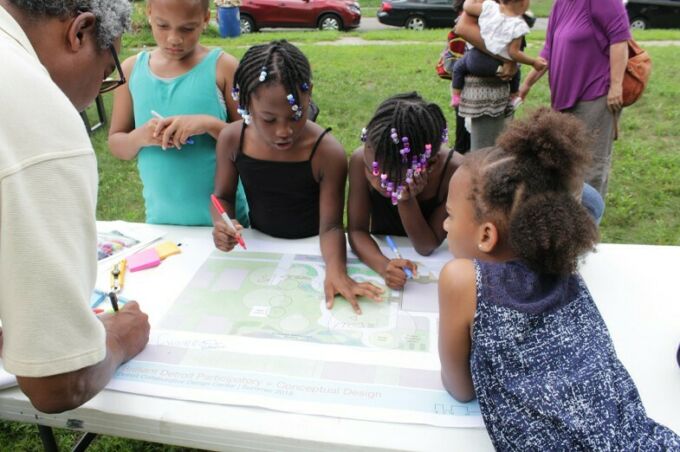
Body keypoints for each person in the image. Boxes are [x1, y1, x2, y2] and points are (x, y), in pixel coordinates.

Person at [437, 108, 680, 449]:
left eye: (449, 216)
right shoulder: (565, 273)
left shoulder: (461, 279)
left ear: (486, 236)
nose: (445, 226)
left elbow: (460, 388)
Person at [0, 0, 149, 413]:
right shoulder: (38, 112)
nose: (95, 94)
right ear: (80, 32)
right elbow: (59, 383)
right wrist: (119, 337)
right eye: (106, 73)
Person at [212, 40, 383, 314]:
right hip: (261, 251)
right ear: (244, 101)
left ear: (309, 95)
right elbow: (221, 197)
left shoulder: (327, 153)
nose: (284, 131)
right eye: (269, 119)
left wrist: (337, 272)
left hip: (313, 251)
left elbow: (331, 226)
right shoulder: (233, 139)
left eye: (296, 115)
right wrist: (222, 224)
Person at [108, 0, 249, 226]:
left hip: (226, 225)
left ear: (205, 19)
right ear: (149, 13)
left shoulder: (223, 67)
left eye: (187, 28)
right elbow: (117, 144)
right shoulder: (131, 70)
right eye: (163, 26)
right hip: (161, 225)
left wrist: (209, 124)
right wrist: (141, 136)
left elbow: (253, 143)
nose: (174, 38)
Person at [347, 93, 461, 290]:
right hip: (382, 251)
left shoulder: (454, 173)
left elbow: (426, 246)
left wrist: (405, 199)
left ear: (430, 165)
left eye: (387, 178)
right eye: (371, 169)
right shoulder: (360, 159)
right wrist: (384, 266)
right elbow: (357, 230)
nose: (376, 180)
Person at [518, 0, 631, 198]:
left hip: (595, 94)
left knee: (591, 164)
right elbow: (548, 49)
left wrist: (616, 85)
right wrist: (527, 84)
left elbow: (620, 41)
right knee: (567, 161)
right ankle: (571, 213)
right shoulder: (561, 4)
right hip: (564, 97)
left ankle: (588, 221)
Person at [450, 0, 546, 109]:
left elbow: (467, 6)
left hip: (475, 61)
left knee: (458, 66)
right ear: (523, 4)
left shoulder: (489, 6)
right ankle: (514, 96)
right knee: (516, 71)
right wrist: (533, 62)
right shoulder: (519, 25)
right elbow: (514, 53)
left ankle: (455, 97)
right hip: (500, 67)